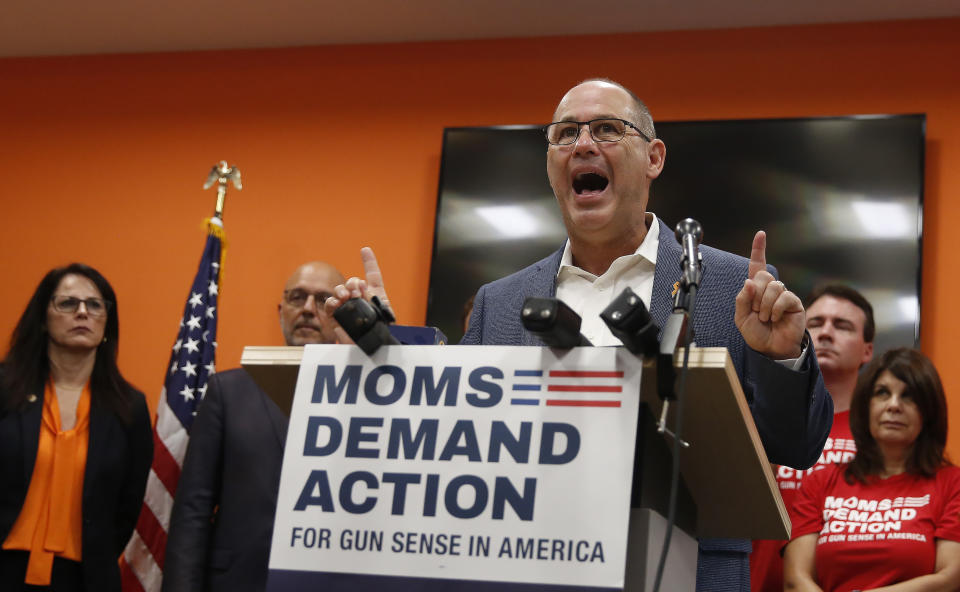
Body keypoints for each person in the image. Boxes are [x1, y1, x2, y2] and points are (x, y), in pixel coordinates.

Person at [327, 79, 832, 591]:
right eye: (565, 133)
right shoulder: (498, 303)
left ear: (654, 157)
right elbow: (453, 447)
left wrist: (783, 356)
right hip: (524, 570)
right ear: (550, 165)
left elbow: (798, 446)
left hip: (686, 573)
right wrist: (386, 353)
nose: (584, 145)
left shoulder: (728, 286)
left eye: (608, 130)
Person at [163, 261, 345, 592]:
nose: (307, 309)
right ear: (280, 310)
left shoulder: (367, 399)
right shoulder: (227, 392)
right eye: (297, 297)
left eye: (322, 300)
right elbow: (193, 509)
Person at [0, 263, 153, 591]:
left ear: (106, 323)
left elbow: (129, 506)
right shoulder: (4, 389)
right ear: (43, 319)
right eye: (67, 303)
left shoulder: (129, 407)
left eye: (95, 305)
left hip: (85, 578)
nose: (82, 312)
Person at [783, 348, 960, 591]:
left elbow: (950, 579)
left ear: (928, 412)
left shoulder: (953, 483)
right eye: (882, 393)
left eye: (909, 396)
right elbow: (796, 580)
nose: (894, 406)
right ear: (865, 406)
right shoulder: (821, 481)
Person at [751, 284, 875, 591]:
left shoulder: (881, 437)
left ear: (868, 350)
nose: (826, 333)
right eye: (816, 323)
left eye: (843, 326)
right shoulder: (761, 419)